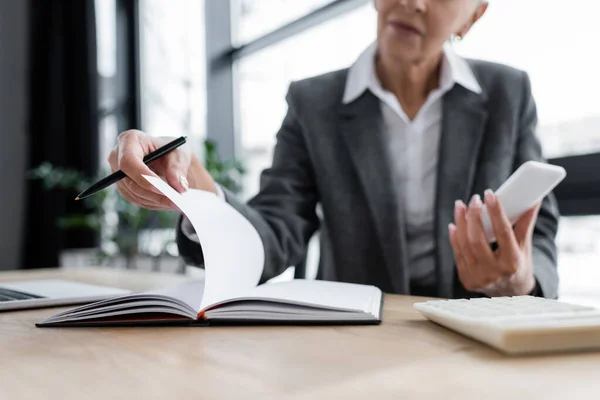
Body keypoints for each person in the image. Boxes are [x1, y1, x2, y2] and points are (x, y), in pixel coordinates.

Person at [108, 0, 560, 299]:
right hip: (352, 337)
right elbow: (277, 233)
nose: (414, 2)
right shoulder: (313, 104)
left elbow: (538, 230)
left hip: (474, 339)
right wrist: (192, 184)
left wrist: (517, 279)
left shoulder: (509, 92)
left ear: (474, 14)